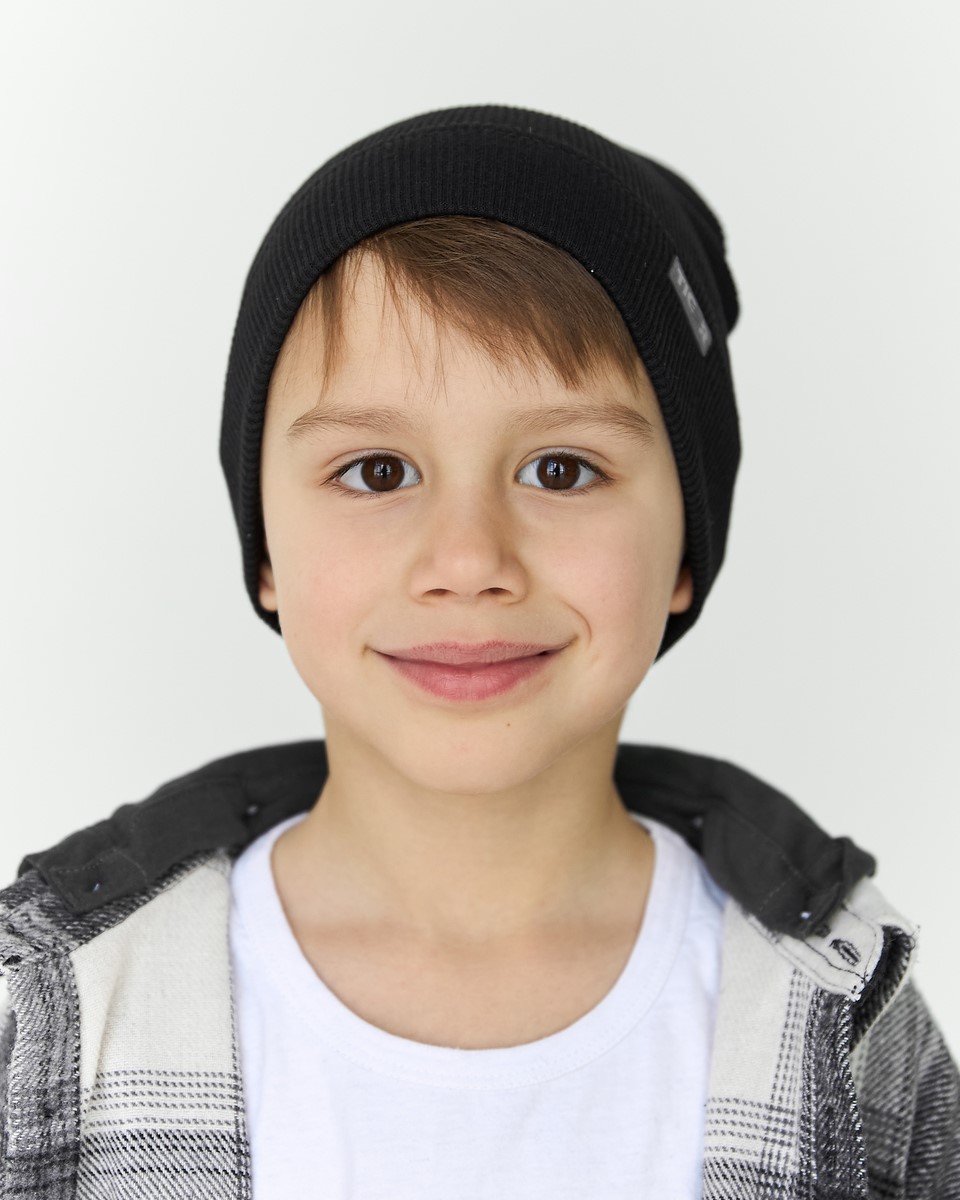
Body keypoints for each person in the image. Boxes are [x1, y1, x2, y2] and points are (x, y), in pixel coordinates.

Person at [0, 104, 956, 1200]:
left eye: (561, 470)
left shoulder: (839, 1018)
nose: (467, 561)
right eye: (377, 472)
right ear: (265, 550)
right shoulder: (64, 1010)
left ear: (683, 552)